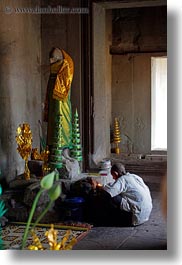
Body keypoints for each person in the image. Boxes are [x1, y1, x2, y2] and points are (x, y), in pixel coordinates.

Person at [44, 47, 74, 152]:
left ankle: (62, 147)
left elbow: (62, 91)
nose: (50, 61)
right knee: (53, 121)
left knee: (61, 117)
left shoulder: (64, 68)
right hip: (53, 103)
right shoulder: (53, 75)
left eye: (53, 58)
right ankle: (54, 148)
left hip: (61, 103)